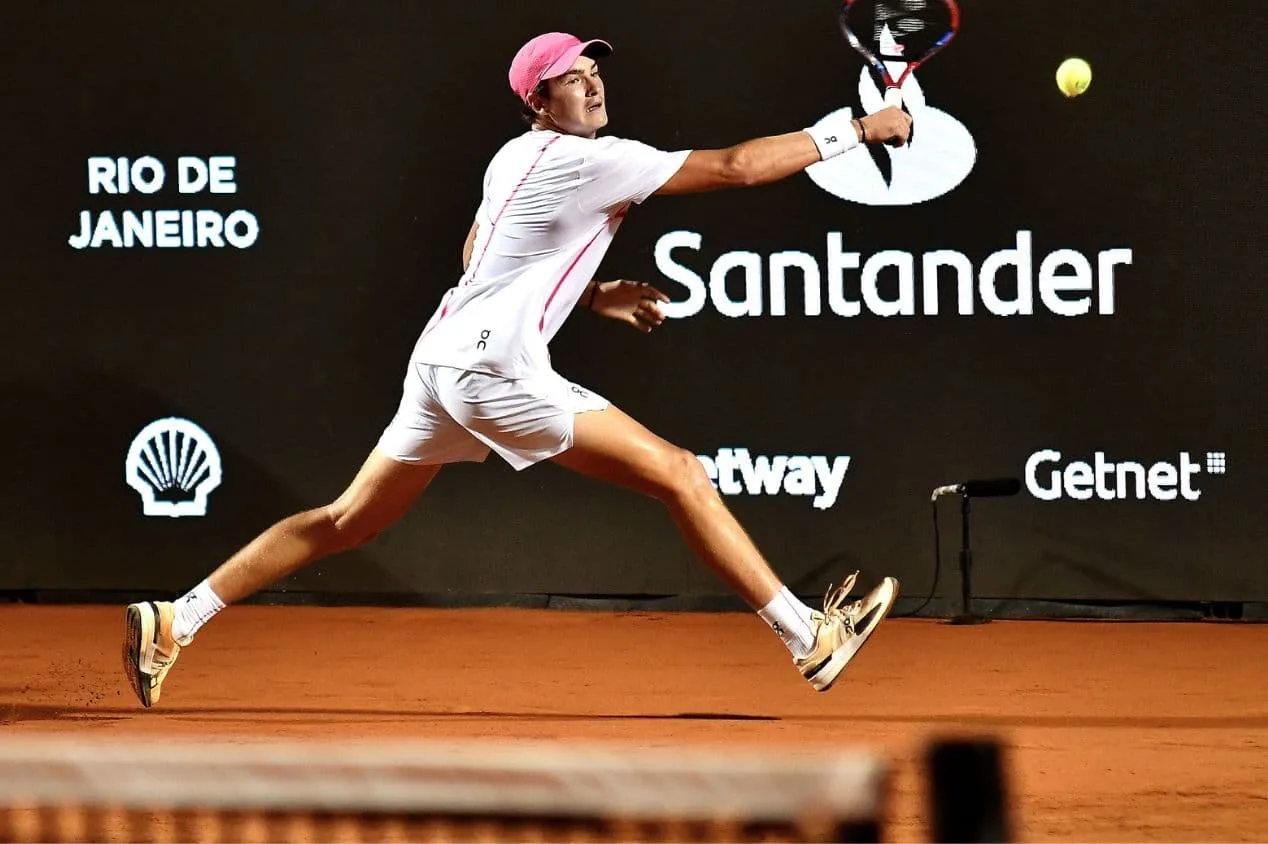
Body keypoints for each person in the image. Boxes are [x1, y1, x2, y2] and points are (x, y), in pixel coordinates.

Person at [122, 31, 914, 708]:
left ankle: (176, 618)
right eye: (573, 77)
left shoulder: (513, 157)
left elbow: (478, 254)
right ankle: (809, 636)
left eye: (594, 70)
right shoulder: (589, 161)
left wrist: (592, 291)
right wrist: (856, 129)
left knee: (346, 522)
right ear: (541, 100)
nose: (593, 82)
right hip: (494, 368)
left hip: (439, 361)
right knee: (680, 474)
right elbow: (738, 167)